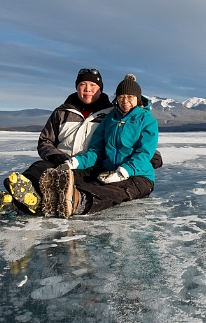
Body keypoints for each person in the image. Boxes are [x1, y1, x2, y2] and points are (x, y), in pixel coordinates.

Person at [0, 68, 113, 215]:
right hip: (61, 161)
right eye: (83, 84)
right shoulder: (61, 112)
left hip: (91, 165)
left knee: (64, 181)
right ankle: (21, 191)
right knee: (39, 168)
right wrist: (55, 155)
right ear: (77, 87)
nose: (88, 89)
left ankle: (16, 203)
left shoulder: (111, 114)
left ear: (100, 89)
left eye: (93, 85)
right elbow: (45, 140)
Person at [41, 73, 159, 218]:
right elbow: (96, 150)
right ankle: (56, 200)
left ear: (137, 99)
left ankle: (77, 202)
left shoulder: (147, 120)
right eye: (121, 97)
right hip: (108, 173)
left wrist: (123, 172)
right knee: (89, 186)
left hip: (139, 176)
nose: (125, 101)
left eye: (130, 97)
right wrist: (75, 162)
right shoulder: (109, 119)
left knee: (114, 191)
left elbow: (144, 153)